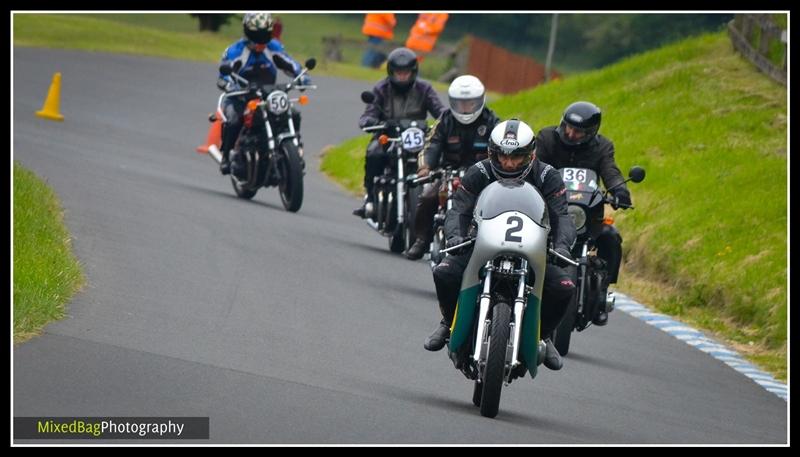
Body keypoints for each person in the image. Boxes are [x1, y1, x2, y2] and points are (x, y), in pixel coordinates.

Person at [424, 119, 576, 372]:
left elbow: (562, 216)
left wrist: (562, 247)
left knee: (564, 287)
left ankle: (543, 335)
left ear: (530, 154)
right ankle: (448, 322)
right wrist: (455, 237)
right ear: (491, 152)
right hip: (478, 244)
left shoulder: (549, 176)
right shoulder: (479, 172)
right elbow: (459, 208)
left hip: (535, 249)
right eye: (502, 156)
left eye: (517, 157)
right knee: (444, 272)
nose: (508, 163)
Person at [535, 101, 631, 326]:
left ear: (591, 132)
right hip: (549, 209)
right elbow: (535, 165)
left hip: (584, 212)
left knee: (610, 236)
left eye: (577, 131)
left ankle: (601, 294)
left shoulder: (602, 147)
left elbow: (611, 170)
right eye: (568, 126)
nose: (570, 133)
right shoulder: (547, 138)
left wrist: (620, 191)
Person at [403, 75, 500, 260]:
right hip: (448, 172)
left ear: (480, 101)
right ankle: (422, 240)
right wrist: (425, 167)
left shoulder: (491, 122)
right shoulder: (445, 120)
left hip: (481, 176)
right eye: (460, 103)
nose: (465, 108)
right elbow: (431, 144)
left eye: (470, 103)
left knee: (491, 204)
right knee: (428, 196)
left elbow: (500, 149)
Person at [353, 47, 447, 218]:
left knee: (439, 159)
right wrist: (370, 121)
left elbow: (439, 110)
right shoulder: (381, 89)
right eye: (398, 72)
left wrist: (446, 121)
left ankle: (440, 201)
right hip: (390, 137)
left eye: (406, 72)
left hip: (418, 139)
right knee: (374, 153)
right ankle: (370, 199)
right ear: (391, 71)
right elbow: (369, 112)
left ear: (413, 72)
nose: (402, 76)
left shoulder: (424, 89)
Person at [216, 12, 311, 176]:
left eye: (265, 35)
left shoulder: (273, 47)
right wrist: (229, 85)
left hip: (267, 96)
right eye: (256, 36)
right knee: (233, 120)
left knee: (293, 114)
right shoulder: (235, 51)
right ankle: (226, 156)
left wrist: (302, 77)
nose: (261, 42)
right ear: (247, 33)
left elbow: (290, 63)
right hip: (240, 97)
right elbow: (224, 74)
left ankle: (295, 149)